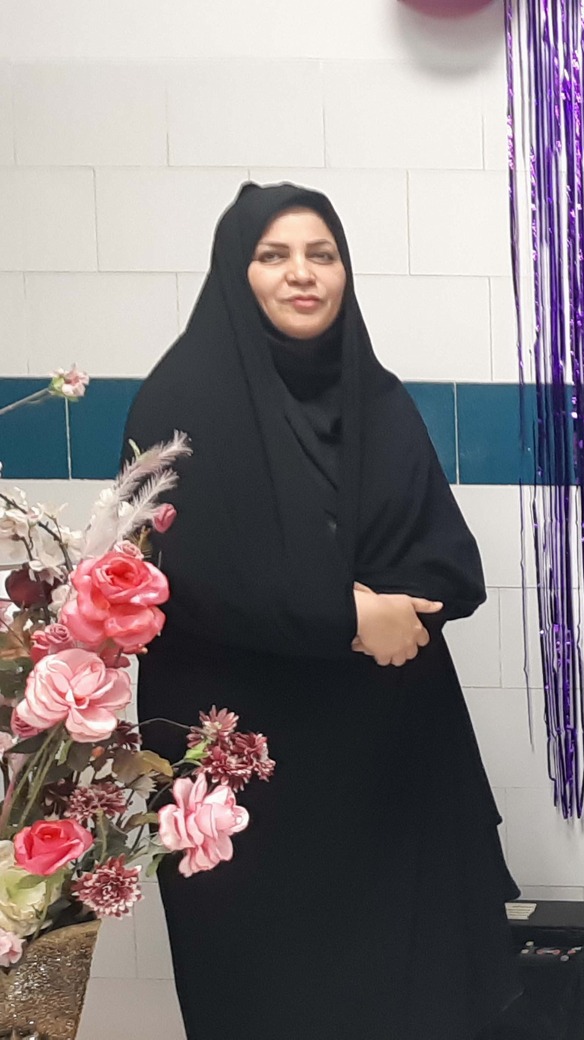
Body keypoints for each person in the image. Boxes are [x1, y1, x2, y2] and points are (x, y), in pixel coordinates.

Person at [123, 183, 518, 1040]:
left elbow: (448, 562)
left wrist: (387, 610)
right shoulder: (180, 403)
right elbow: (186, 574)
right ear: (237, 272)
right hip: (252, 773)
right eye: (274, 256)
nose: (302, 274)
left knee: (412, 996)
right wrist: (344, 614)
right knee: (270, 997)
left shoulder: (378, 400)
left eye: (322, 254)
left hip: (387, 767)